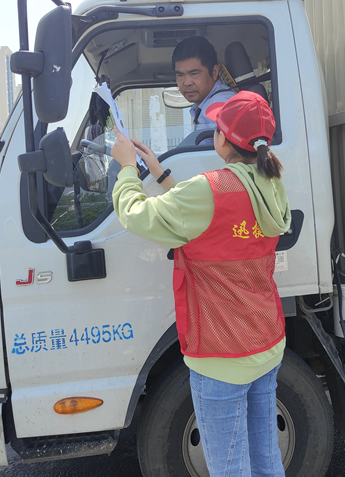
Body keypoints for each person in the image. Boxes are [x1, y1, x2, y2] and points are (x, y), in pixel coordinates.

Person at [111, 90, 289, 476]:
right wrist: (160, 173)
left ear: (222, 140)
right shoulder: (271, 183)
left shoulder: (209, 189)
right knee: (266, 459)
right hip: (266, 339)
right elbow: (213, 217)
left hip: (220, 352)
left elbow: (134, 214)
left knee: (229, 468)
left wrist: (126, 168)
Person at [173, 36, 236, 129]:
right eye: (180, 75)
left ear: (214, 72)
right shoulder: (206, 105)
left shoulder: (218, 106)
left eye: (194, 74)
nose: (187, 83)